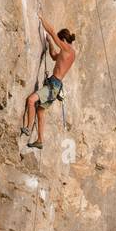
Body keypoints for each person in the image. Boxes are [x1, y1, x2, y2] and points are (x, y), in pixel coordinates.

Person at [20, 14, 76, 149]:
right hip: (55, 86)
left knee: (31, 100)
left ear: (63, 39)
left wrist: (41, 17)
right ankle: (39, 140)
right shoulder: (68, 53)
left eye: (59, 40)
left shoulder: (67, 49)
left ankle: (27, 127)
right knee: (40, 111)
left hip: (53, 85)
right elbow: (53, 56)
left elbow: (51, 31)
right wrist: (50, 43)